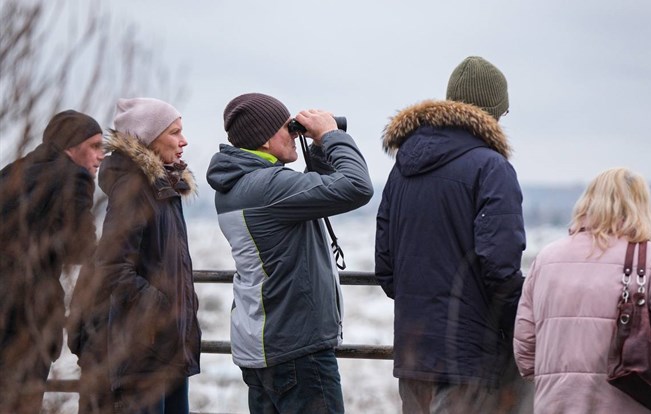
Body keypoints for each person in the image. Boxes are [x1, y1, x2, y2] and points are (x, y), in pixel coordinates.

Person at [375, 56, 526, 413]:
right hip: (469, 358)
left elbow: (385, 267)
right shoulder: (492, 168)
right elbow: (500, 268)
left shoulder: (402, 169)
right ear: (492, 115)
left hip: (413, 355)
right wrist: (515, 329)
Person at [206, 92, 374, 413]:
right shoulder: (268, 187)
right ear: (266, 141)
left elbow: (319, 192)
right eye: (288, 128)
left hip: (262, 343)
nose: (295, 135)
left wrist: (319, 152)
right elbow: (356, 187)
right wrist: (331, 136)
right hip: (296, 350)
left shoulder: (235, 186)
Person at [513, 167, 651, 413]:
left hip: (556, 403)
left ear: (588, 202)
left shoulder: (546, 258)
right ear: (640, 206)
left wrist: (553, 380)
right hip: (628, 402)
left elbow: (524, 346)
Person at [94, 97, 201, 413]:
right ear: (147, 136)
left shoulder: (164, 188)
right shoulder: (133, 187)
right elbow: (111, 266)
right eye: (174, 132)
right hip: (143, 353)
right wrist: (160, 309)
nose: (184, 141)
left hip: (169, 350)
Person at [0, 110, 104, 414]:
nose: (100, 156)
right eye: (94, 146)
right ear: (70, 146)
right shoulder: (74, 177)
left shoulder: (13, 171)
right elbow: (80, 247)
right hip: (27, 316)